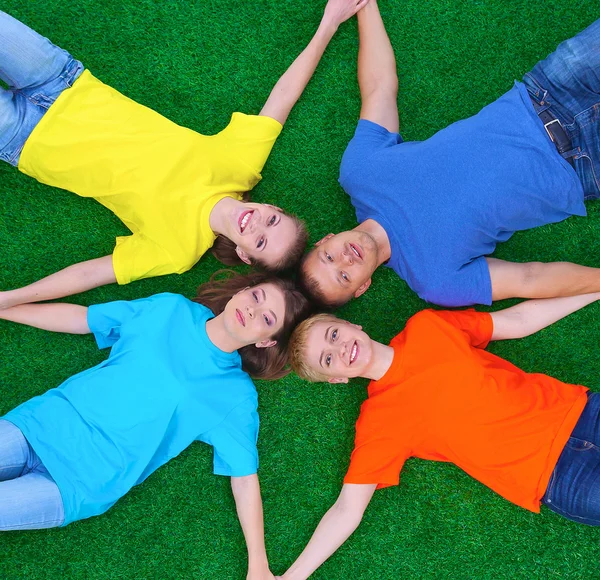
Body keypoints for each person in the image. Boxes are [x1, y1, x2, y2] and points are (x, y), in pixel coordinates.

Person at [0, 0, 369, 310]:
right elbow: (284, 97)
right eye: (271, 222)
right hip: (64, 79)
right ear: (271, 208)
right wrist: (329, 23)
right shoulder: (240, 166)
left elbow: (91, 273)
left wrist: (9, 299)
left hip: (24, 138)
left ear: (243, 255)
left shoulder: (178, 250)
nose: (257, 226)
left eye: (259, 243)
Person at [0, 271, 310, 580]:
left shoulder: (236, 395)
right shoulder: (170, 309)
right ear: (243, 290)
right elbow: (86, 319)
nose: (253, 310)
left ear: (266, 341)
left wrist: (258, 565)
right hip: (40, 425)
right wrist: (5, 306)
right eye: (256, 296)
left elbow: (244, 478)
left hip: (79, 483)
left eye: (267, 319)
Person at [299, 1, 600, 309]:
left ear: (327, 238)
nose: (345, 259)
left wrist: (365, 4)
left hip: (547, 91)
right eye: (344, 277)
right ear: (363, 287)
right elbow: (529, 278)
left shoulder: (359, 173)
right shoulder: (437, 282)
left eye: (329, 256)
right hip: (583, 167)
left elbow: (379, 88)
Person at [280, 294, 600, 578]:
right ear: (336, 379)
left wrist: (591, 290)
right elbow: (347, 508)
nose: (340, 348)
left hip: (581, 411)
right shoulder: (377, 423)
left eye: (333, 334)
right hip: (560, 478)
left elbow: (513, 321)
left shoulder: (427, 326)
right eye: (327, 358)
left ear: (351, 324)